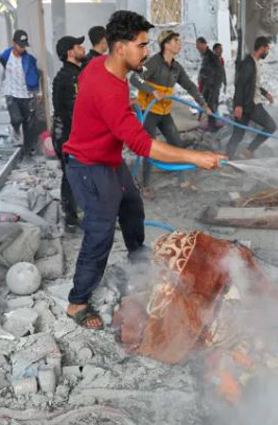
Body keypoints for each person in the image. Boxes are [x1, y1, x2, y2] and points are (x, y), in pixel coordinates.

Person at [62, 10, 226, 329]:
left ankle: (138, 259)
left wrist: (127, 107)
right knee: (100, 232)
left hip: (108, 160)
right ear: (121, 47)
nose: (147, 50)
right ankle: (77, 301)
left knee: (133, 207)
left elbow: (99, 93)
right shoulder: (107, 87)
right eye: (141, 45)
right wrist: (194, 158)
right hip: (87, 166)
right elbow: (143, 144)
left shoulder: (100, 66)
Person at [130, 29, 212, 198]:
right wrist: (152, 90)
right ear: (165, 44)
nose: (179, 44)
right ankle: (145, 185)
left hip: (165, 112)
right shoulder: (153, 63)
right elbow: (135, 78)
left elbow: (190, 86)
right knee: (149, 148)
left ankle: (182, 179)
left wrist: (203, 104)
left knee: (177, 145)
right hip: (150, 112)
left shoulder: (176, 67)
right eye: (175, 41)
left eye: (179, 41)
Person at [52, 35, 85, 232]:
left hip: (65, 133)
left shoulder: (73, 73)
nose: (82, 49)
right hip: (67, 135)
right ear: (70, 52)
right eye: (78, 47)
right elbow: (75, 111)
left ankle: (73, 214)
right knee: (72, 174)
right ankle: (72, 219)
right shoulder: (70, 77)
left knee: (72, 174)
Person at [226, 36, 277, 160]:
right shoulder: (248, 63)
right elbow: (240, 84)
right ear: (262, 47)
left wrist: (266, 94)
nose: (268, 52)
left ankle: (239, 154)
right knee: (270, 126)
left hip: (249, 104)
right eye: (267, 49)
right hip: (250, 105)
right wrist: (238, 105)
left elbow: (254, 85)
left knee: (238, 134)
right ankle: (231, 157)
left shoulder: (254, 63)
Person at [0, 30, 41, 157]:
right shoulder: (4, 58)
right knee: (16, 118)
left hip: (27, 94)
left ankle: (27, 151)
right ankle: (15, 132)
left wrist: (39, 92)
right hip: (11, 94)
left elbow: (36, 76)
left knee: (29, 124)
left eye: (24, 45)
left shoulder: (30, 59)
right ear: (13, 43)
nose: (22, 48)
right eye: (20, 45)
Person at [196, 37, 226, 131]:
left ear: (203, 45)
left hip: (212, 85)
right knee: (206, 104)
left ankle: (212, 125)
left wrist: (220, 84)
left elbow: (220, 71)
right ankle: (209, 123)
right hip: (208, 85)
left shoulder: (211, 56)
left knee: (211, 105)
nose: (198, 48)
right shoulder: (206, 56)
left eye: (199, 46)